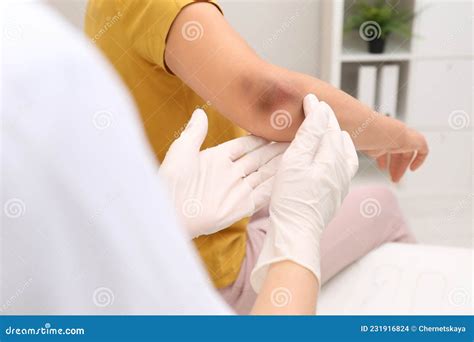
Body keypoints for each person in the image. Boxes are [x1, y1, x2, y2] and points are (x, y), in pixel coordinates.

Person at [2, 1, 356, 315]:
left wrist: (159, 218)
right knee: (380, 204)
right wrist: (298, 239)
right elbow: (270, 97)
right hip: (218, 268)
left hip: (189, 245)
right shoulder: (39, 62)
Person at [85, 0, 421, 313]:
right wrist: (394, 135)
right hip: (210, 274)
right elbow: (270, 98)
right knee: (383, 206)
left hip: (172, 228)